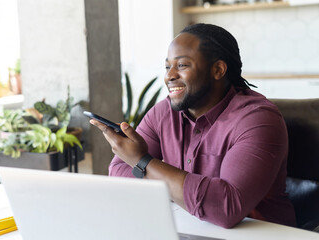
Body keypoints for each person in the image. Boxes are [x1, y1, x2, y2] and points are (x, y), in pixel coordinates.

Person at [89, 23, 296, 228]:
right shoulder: (163, 112)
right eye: (167, 66)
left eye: (182, 65)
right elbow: (119, 170)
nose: (169, 76)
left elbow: (227, 208)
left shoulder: (258, 120)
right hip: (189, 228)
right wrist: (166, 181)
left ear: (218, 70)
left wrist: (142, 162)